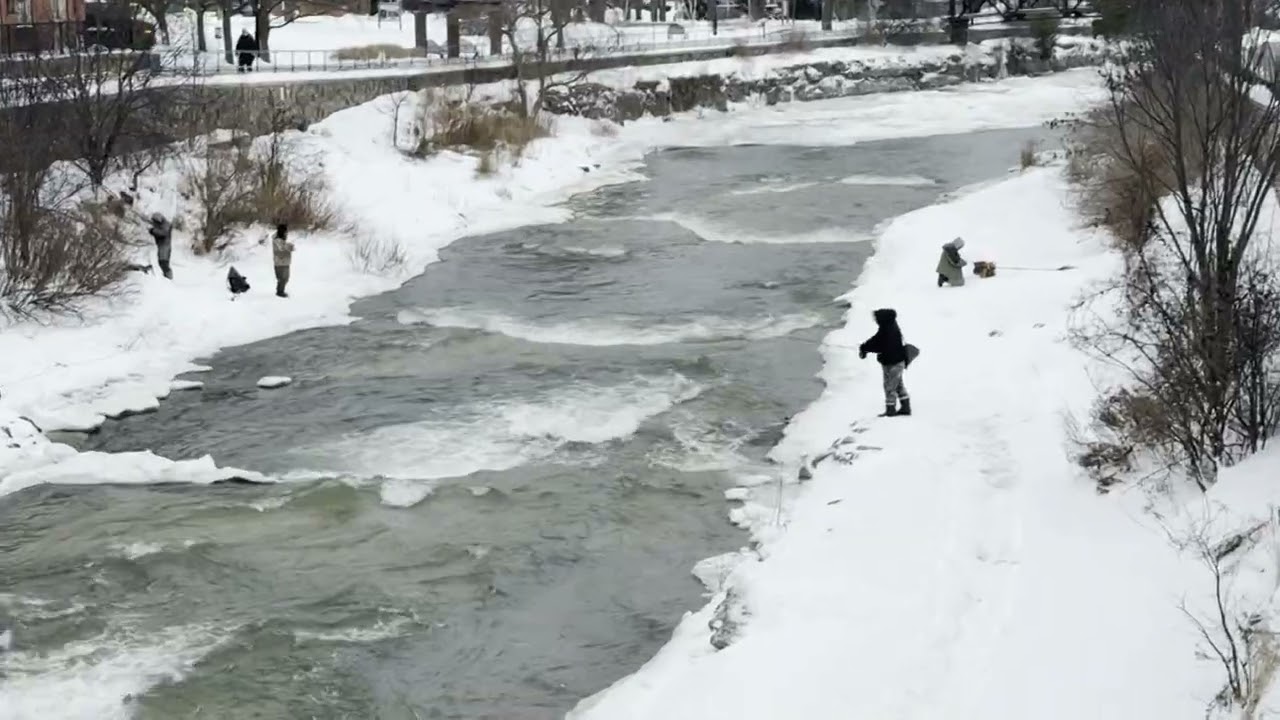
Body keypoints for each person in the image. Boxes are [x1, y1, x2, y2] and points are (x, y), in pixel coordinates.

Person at [858, 308, 912, 417]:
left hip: (891, 363)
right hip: (898, 361)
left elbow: (878, 343)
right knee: (898, 385)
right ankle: (905, 407)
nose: (876, 321)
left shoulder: (886, 331)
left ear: (882, 319)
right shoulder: (891, 327)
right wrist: (865, 347)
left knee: (890, 386)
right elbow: (877, 341)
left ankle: (890, 410)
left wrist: (864, 348)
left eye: (877, 319)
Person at [148, 212, 173, 279]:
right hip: (162, 246)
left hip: (165, 247)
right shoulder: (162, 224)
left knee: (163, 262)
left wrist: (153, 231)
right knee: (162, 262)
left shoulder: (165, 225)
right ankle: (167, 277)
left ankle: (169, 277)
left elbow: (163, 233)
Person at [271, 223, 294, 298]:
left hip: (285, 262)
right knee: (282, 278)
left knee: (286, 278)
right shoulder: (277, 240)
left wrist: (290, 246)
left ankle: (280, 290)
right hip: (280, 262)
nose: (287, 233)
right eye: (285, 232)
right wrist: (290, 246)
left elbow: (285, 246)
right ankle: (280, 292)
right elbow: (282, 248)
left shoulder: (281, 239)